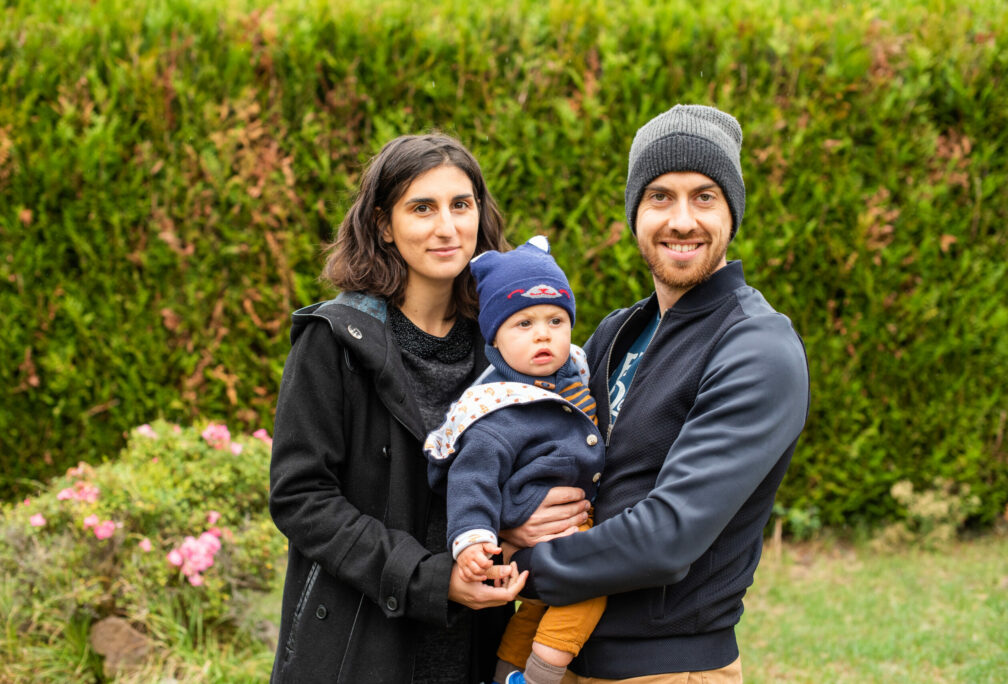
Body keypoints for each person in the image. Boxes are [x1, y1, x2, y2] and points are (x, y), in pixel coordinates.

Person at [505, 104, 811, 682]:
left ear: (732, 213)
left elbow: (668, 538)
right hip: (563, 651)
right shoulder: (616, 332)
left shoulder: (757, 348)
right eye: (660, 197)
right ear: (635, 213)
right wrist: (509, 519)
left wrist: (517, 564)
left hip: (666, 667)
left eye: (704, 197)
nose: (682, 220)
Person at [268, 134, 585, 683]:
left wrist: (517, 524)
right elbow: (301, 499)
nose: (447, 227)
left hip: (475, 645)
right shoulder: (333, 342)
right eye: (422, 208)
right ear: (383, 225)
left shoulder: (507, 349)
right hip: (357, 648)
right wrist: (428, 577)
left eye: (461, 205)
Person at [424, 237, 606, 684]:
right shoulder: (494, 411)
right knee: (592, 588)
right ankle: (544, 675)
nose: (543, 333)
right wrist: (471, 541)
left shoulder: (574, 376)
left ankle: (507, 672)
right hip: (545, 531)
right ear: (495, 340)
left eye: (556, 320)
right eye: (522, 323)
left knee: (538, 607)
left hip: (567, 526)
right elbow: (472, 481)